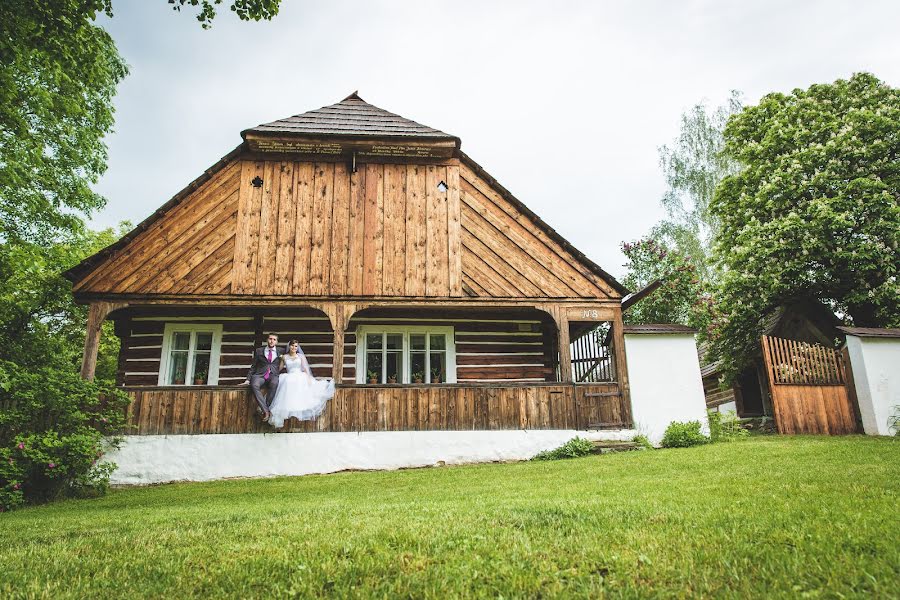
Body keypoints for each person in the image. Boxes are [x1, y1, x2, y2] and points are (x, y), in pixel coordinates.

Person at [267, 339, 335, 428]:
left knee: (304, 392)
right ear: (289, 346)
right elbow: (279, 368)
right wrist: (270, 372)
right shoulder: (284, 357)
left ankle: (298, 408)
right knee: (287, 386)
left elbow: (305, 368)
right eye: (292, 346)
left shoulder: (300, 356)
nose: (294, 348)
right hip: (289, 376)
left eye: (296, 346)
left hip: (300, 376)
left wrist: (309, 378)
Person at [242, 333, 281, 422]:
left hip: (273, 375)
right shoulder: (259, 350)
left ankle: (264, 408)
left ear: (277, 342)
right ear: (267, 340)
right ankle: (266, 410)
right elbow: (254, 366)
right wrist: (248, 379)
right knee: (254, 384)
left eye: (274, 339)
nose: (272, 341)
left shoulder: (281, 351)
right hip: (260, 375)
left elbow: (293, 352)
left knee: (274, 383)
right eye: (270, 339)